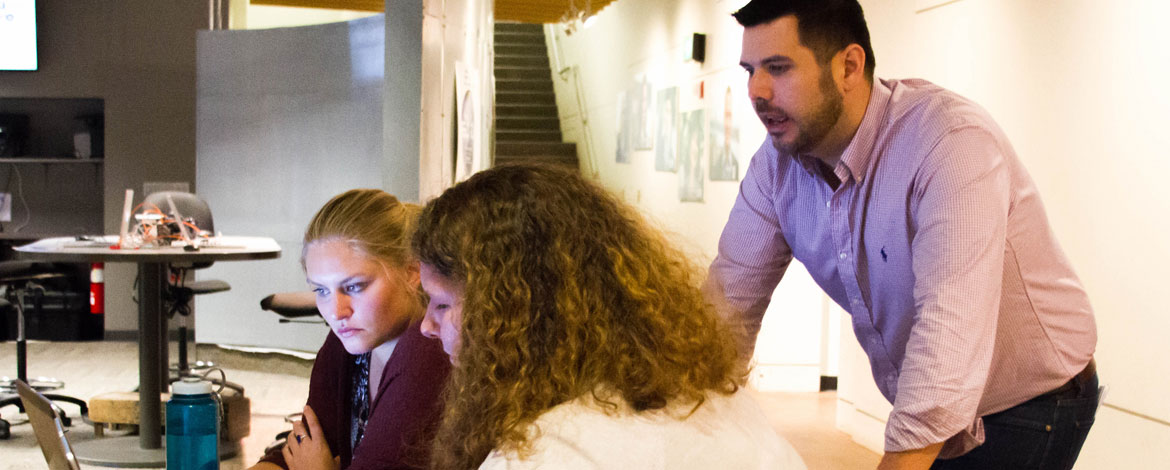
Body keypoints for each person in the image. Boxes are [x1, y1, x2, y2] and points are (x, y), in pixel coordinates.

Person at [705, 1, 1098, 469]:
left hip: (1031, 399)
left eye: (778, 68)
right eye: (750, 70)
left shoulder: (950, 144)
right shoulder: (776, 169)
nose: (757, 91)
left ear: (849, 66)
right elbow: (726, 304)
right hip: (944, 393)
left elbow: (946, 335)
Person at [411, 164, 806, 470]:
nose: (427, 325)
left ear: (513, 315)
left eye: (443, 305)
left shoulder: (544, 455)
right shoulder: (722, 404)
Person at [252, 189, 451, 470]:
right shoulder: (348, 341)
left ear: (412, 272)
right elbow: (298, 451)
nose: (336, 311)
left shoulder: (427, 352)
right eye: (321, 290)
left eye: (354, 287)